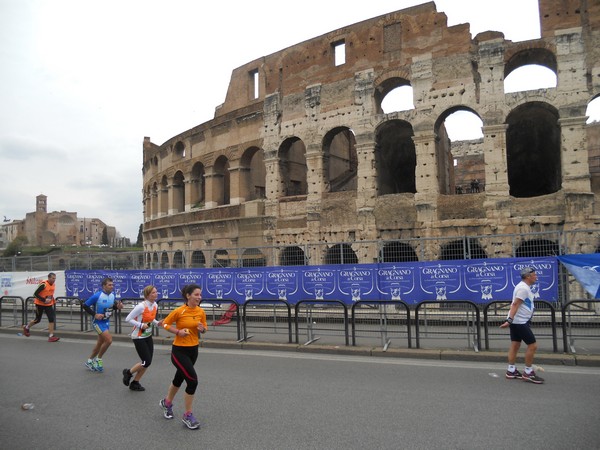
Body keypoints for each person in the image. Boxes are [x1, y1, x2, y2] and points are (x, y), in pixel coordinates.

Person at [159, 284, 207, 430]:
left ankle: (166, 403)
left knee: (179, 379)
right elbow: (165, 323)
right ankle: (187, 415)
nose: (199, 297)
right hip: (179, 351)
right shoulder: (179, 311)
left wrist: (202, 329)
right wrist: (177, 332)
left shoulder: (200, 311)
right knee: (192, 381)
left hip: (194, 350)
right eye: (196, 295)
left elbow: (204, 326)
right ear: (188, 295)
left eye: (200, 295)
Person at [500, 267, 544, 384]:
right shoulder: (523, 288)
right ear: (528, 276)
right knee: (532, 346)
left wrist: (510, 320)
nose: (536, 277)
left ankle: (511, 370)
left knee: (515, 345)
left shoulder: (523, 287)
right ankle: (528, 372)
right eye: (534, 275)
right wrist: (509, 320)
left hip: (517, 321)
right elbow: (515, 304)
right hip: (520, 322)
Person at [122, 285, 162, 391]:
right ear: (147, 295)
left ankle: (135, 382)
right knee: (146, 361)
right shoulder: (141, 306)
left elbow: (151, 319)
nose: (156, 294)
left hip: (148, 335)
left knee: (147, 362)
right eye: (153, 292)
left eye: (156, 292)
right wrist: (140, 325)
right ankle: (128, 372)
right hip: (138, 336)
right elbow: (128, 318)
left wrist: (158, 323)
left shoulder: (155, 305)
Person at [82, 277, 123, 373]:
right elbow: (85, 305)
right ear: (104, 286)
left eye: (112, 285)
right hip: (97, 323)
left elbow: (112, 307)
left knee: (100, 343)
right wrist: (95, 314)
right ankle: (98, 359)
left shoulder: (112, 295)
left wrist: (118, 307)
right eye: (109, 285)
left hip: (106, 322)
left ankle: (89, 361)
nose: (112, 286)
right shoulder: (97, 295)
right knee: (108, 340)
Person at [22, 272, 60, 342]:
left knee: (51, 319)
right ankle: (26, 327)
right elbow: (35, 294)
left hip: (48, 305)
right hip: (40, 304)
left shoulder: (53, 285)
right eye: (52, 278)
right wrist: (44, 300)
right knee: (37, 320)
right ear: (49, 278)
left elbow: (50, 294)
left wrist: (53, 301)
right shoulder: (43, 284)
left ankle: (51, 336)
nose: (54, 280)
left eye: (55, 278)